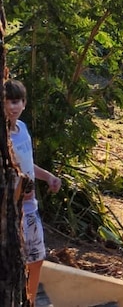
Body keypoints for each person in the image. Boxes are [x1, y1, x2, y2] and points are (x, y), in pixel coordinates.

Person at [5, 79, 62, 305]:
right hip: (11, 212)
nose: (12, 107)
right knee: (12, 263)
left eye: (16, 101)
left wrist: (48, 177)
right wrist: (17, 191)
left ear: (24, 103)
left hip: (31, 208)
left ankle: (28, 301)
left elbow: (29, 165)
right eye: (7, 102)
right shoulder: (3, 138)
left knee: (36, 258)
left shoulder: (23, 129)